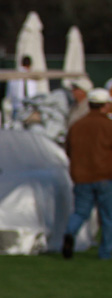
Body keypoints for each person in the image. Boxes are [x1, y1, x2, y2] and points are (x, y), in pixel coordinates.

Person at [62, 88, 112, 260]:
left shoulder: (76, 125)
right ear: (106, 105)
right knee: (107, 217)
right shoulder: (108, 126)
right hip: (105, 175)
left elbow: (68, 150)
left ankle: (70, 232)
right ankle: (106, 252)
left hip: (81, 176)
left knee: (80, 212)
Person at [6, 56, 38, 120]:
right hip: (29, 109)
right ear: (30, 65)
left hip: (17, 107)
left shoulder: (13, 76)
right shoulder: (33, 77)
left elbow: (9, 95)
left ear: (21, 63)